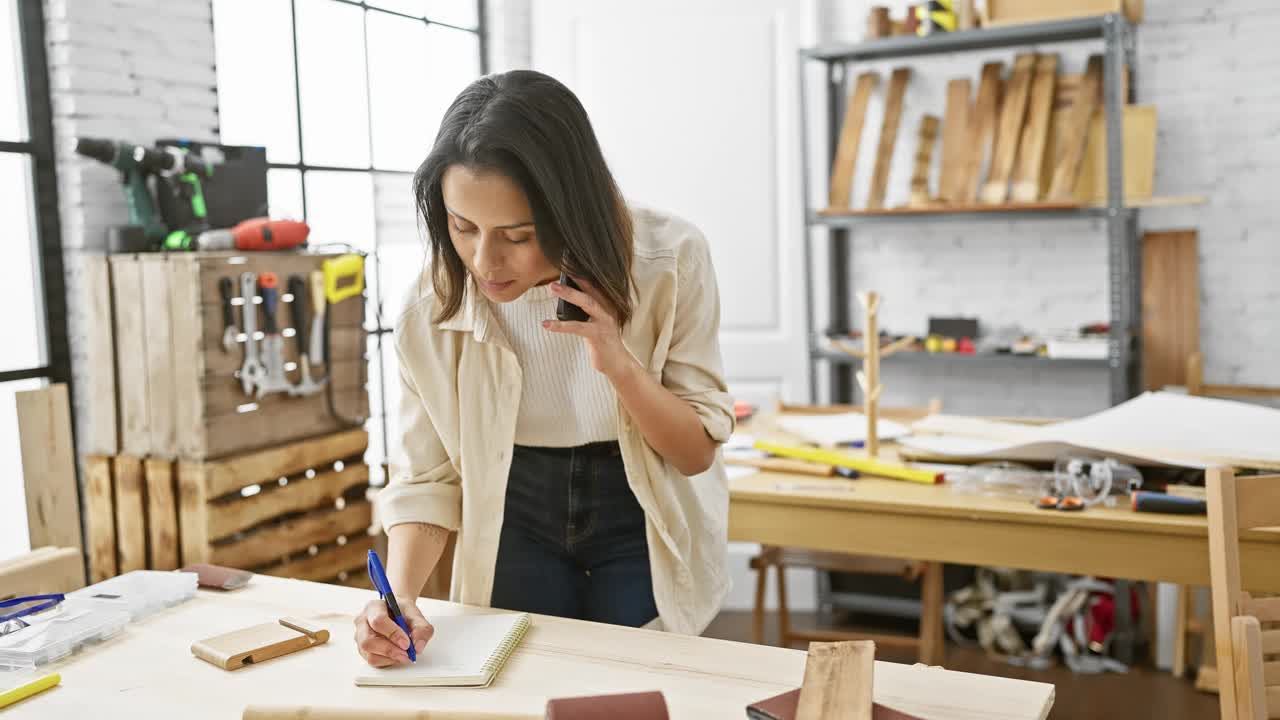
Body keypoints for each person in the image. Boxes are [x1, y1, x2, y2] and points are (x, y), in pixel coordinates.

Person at [354, 70, 734, 668]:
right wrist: (399, 598)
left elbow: (695, 455)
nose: (485, 260)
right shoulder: (430, 306)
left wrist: (620, 364)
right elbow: (427, 481)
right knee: (523, 681)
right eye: (463, 227)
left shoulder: (670, 259)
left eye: (518, 235)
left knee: (628, 686)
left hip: (635, 505)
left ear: (572, 212)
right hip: (513, 506)